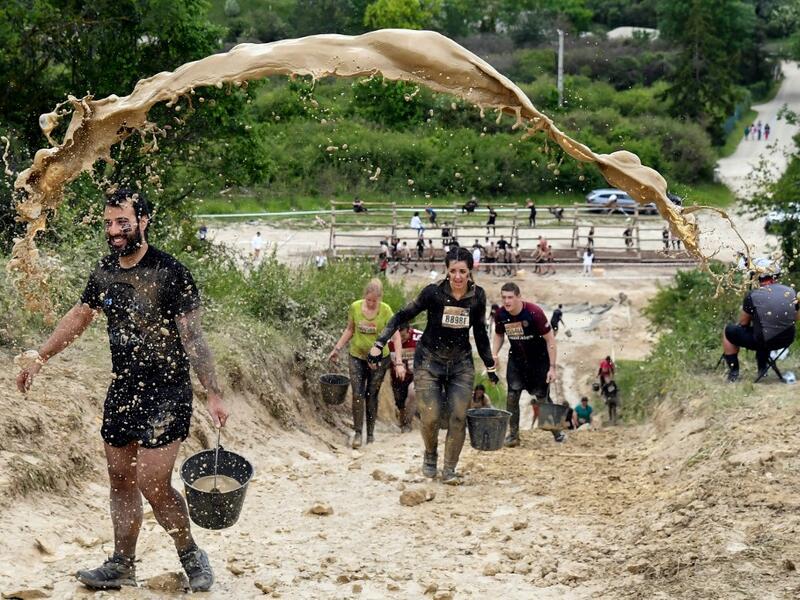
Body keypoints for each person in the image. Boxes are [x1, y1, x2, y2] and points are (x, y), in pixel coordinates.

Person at [15, 189, 229, 591]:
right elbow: (79, 317)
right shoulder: (104, 272)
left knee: (152, 482)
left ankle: (191, 555)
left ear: (143, 221)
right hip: (123, 389)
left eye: (122, 223)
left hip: (167, 392)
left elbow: (193, 338)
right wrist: (40, 357)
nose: (114, 231)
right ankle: (122, 564)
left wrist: (213, 393)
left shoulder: (171, 272)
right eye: (109, 223)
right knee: (120, 479)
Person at [369, 247, 498, 484]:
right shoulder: (433, 293)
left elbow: (480, 332)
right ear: (446, 271)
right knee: (430, 416)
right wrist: (380, 342)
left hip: (461, 364)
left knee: (459, 417)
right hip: (429, 361)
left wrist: (490, 365)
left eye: (463, 272)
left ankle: (449, 469)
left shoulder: (478, 296)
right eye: (453, 271)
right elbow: (401, 316)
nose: (458, 277)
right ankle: (430, 455)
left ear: (470, 271)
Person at [329, 279, 404, 448]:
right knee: (357, 395)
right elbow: (350, 329)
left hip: (379, 360)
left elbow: (396, 336)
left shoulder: (386, 311)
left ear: (379, 299)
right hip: (356, 356)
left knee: (372, 395)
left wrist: (398, 361)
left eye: (374, 301)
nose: (370, 304)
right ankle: (358, 433)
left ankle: (370, 435)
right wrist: (337, 348)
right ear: (364, 297)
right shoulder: (355, 307)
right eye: (368, 300)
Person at [492, 282, 561, 446]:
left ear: (518, 297)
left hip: (538, 361)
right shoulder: (501, 314)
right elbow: (499, 335)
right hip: (516, 361)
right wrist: (494, 353)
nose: (507, 301)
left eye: (510, 297)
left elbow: (550, 339)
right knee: (512, 397)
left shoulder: (534, 312)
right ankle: (514, 435)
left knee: (542, 399)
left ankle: (558, 433)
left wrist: (552, 367)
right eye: (504, 298)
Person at [722, 258, 799, 382]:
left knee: (728, 331)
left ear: (756, 276)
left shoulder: (753, 295)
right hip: (787, 339)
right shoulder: (790, 291)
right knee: (765, 330)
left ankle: (733, 372)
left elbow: (743, 323)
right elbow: (796, 318)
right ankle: (762, 368)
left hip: (764, 341)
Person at [388, 323, 422, 432]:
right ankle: (402, 424)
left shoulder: (420, 338)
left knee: (413, 393)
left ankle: (408, 424)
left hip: (416, 375)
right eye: (397, 337)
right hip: (397, 378)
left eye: (403, 336)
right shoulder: (388, 340)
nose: (400, 340)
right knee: (400, 403)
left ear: (409, 330)